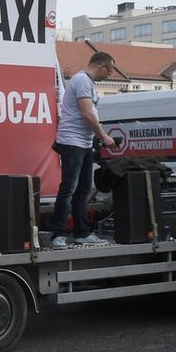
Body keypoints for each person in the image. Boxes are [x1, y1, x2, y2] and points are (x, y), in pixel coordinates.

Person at [50, 51, 118, 249]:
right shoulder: (82, 80)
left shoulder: (88, 83)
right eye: (110, 70)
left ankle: (82, 233)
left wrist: (98, 132)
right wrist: (104, 136)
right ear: (102, 66)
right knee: (69, 189)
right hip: (72, 142)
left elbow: (89, 115)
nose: (109, 75)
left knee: (83, 190)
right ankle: (58, 234)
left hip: (84, 143)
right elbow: (87, 114)